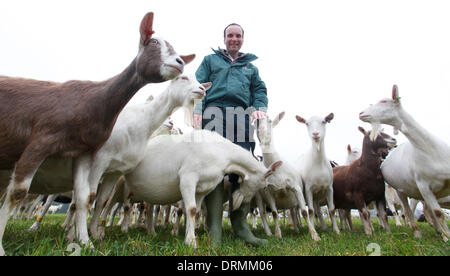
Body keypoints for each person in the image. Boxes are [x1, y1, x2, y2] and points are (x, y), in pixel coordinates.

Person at [193, 23, 268, 246]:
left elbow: (260, 91)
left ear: (243, 39)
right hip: (213, 115)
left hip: (241, 118)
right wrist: (197, 110)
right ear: (224, 38)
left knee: (243, 170)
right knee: (214, 168)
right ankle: (214, 228)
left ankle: (241, 227)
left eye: (238, 36)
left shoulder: (250, 67)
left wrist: (259, 108)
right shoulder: (210, 61)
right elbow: (198, 86)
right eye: (230, 35)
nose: (234, 39)